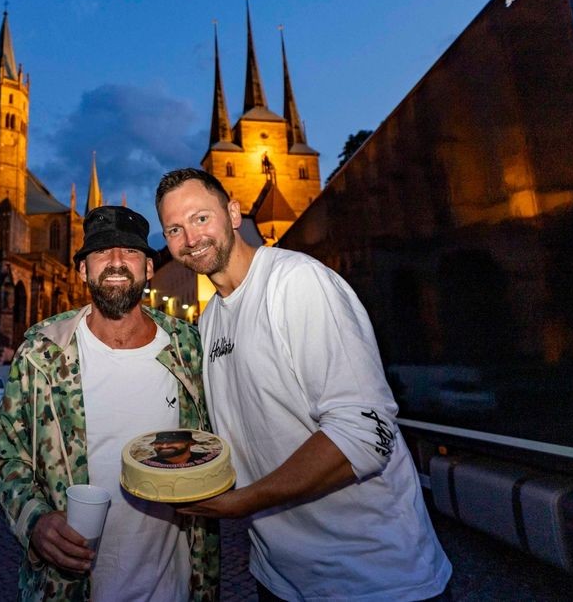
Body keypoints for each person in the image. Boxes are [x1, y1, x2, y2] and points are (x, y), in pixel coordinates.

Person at [155, 168, 452, 601]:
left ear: (233, 213)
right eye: (175, 229)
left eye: (201, 218)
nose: (191, 237)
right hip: (279, 575)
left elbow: (366, 433)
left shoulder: (296, 283)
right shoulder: (211, 319)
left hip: (371, 577)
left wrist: (245, 501)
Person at [0, 205, 220, 602]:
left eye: (129, 252)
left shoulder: (189, 350)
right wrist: (35, 520)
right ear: (82, 270)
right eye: (100, 253)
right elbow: (7, 458)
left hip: (176, 586)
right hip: (69, 589)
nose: (115, 262)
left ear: (149, 268)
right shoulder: (42, 353)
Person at [143, 430, 212, 467]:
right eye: (159, 443)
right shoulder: (144, 466)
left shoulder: (210, 460)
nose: (164, 446)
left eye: (172, 442)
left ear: (191, 443)